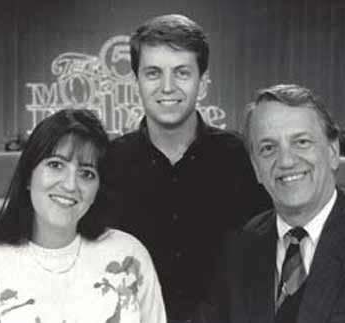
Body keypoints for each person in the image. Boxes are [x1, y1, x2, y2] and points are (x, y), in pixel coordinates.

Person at [105, 14, 270, 322]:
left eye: (182, 73)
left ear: (203, 83)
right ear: (136, 83)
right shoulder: (109, 163)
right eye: (153, 73)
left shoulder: (242, 159)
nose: (167, 87)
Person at [196, 84, 345, 323]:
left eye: (301, 142)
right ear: (256, 168)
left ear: (333, 152)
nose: (286, 161)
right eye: (268, 147)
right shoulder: (238, 250)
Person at [0, 109, 166, 323]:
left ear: (97, 190)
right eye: (56, 165)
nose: (70, 185)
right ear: (28, 177)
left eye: (86, 173)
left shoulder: (129, 256)